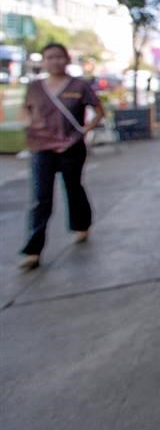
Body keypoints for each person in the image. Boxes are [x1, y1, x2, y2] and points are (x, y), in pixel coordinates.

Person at [19, 43, 105, 270]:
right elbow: (25, 109)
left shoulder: (79, 85)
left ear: (67, 59)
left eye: (59, 57)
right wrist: (29, 125)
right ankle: (33, 250)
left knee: (73, 188)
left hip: (71, 147)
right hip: (42, 148)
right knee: (41, 197)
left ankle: (81, 225)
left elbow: (98, 111)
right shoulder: (35, 87)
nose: (55, 61)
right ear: (44, 61)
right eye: (50, 57)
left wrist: (85, 130)